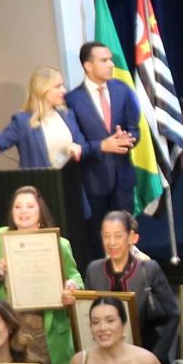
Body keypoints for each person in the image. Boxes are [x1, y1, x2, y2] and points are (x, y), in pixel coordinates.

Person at [0, 186, 88, 364]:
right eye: (18, 207)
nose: (23, 212)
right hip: (12, 326)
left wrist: (73, 286)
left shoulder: (59, 243)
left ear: (40, 210)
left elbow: (75, 276)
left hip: (48, 329)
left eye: (30, 206)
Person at [67, 42, 144, 241]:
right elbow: (77, 145)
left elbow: (135, 129)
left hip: (123, 179)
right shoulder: (73, 100)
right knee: (98, 239)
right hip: (94, 182)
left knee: (126, 234)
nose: (111, 64)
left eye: (110, 59)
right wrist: (103, 145)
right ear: (88, 66)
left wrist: (127, 139)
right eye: (104, 60)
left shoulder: (123, 90)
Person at [0, 67, 92, 193]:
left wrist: (78, 149)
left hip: (71, 190)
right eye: (58, 86)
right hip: (40, 192)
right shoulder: (22, 121)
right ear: (42, 89)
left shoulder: (68, 114)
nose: (64, 90)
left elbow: (84, 146)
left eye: (62, 85)